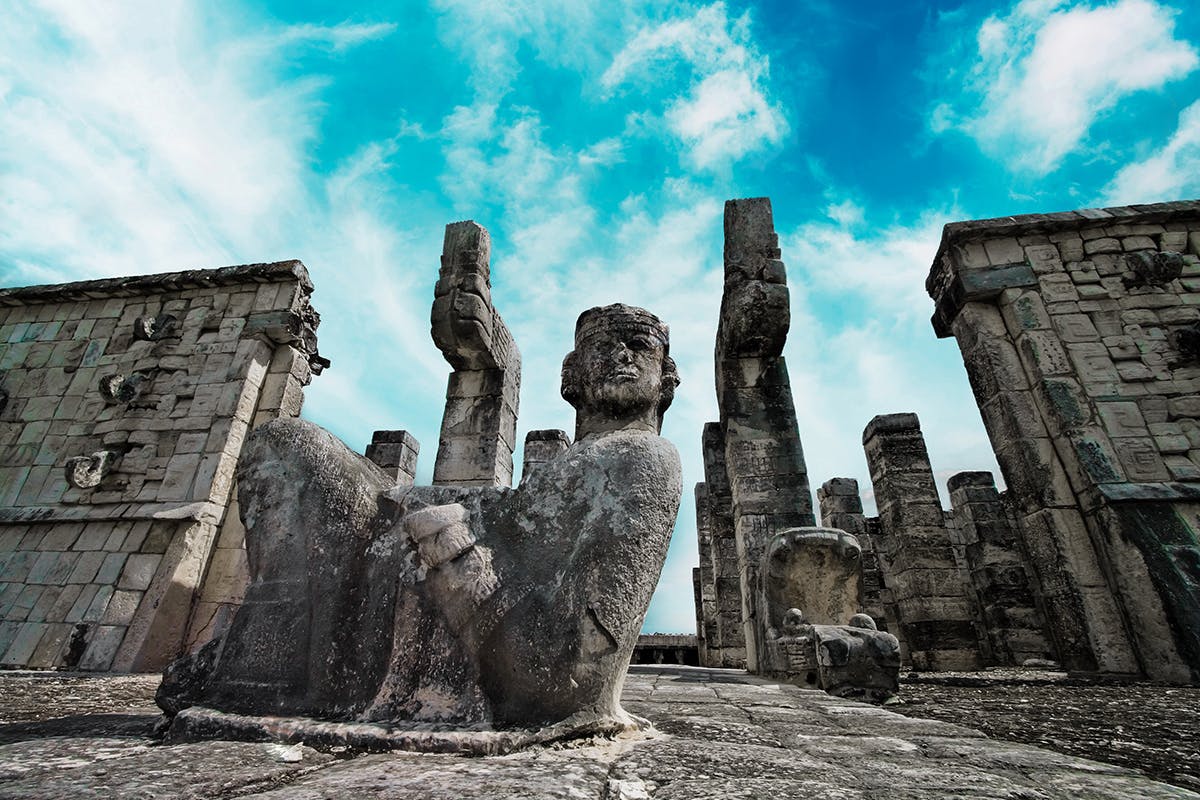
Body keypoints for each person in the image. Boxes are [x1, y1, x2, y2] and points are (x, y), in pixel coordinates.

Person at [159, 304, 682, 736]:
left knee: (287, 450)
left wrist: (460, 559)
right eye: (603, 345)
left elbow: (568, 679)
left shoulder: (646, 461)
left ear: (666, 379)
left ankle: (263, 667)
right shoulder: (582, 462)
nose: (621, 355)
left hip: (430, 619)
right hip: (397, 596)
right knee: (290, 448)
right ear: (571, 374)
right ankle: (262, 660)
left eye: (640, 346)